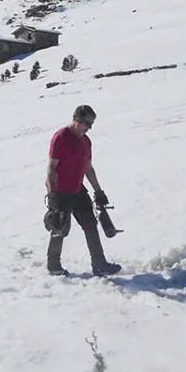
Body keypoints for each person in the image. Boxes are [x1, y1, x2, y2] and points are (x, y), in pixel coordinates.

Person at [44, 105, 122, 277]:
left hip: (78, 190)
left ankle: (99, 264)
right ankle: (54, 266)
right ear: (77, 119)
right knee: (60, 228)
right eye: (87, 123)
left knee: (90, 225)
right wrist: (52, 195)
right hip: (61, 192)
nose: (89, 128)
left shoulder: (86, 142)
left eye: (91, 124)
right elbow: (51, 168)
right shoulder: (61, 138)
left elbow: (88, 168)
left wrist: (98, 191)